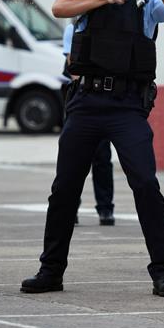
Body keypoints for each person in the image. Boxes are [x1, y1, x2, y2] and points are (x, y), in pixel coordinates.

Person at [22, 0, 164, 298]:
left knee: (145, 184)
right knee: (64, 189)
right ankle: (51, 271)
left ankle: (163, 272)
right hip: (86, 102)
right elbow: (59, 7)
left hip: (127, 104)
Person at [61, 22, 116, 226]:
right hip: (81, 98)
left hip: (104, 99)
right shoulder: (74, 27)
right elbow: (71, 64)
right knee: (74, 160)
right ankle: (71, 207)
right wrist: (86, 88)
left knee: (102, 158)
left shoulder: (112, 26)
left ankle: (105, 209)